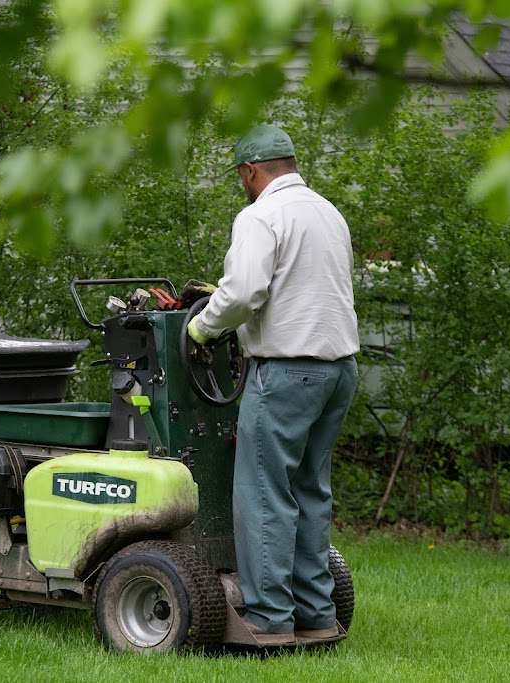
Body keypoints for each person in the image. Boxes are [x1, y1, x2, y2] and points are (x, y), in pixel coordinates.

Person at [186, 124, 359, 645]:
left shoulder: (261, 215)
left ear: (250, 171)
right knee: (310, 490)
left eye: (241, 176)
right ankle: (317, 615)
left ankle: (268, 619)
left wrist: (201, 328)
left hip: (287, 371)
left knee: (264, 493)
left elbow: (243, 293)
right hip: (339, 370)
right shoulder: (327, 212)